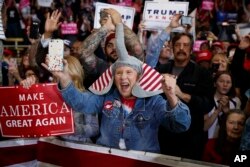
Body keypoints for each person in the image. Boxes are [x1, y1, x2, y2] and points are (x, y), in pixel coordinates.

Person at [41, 12, 191, 153]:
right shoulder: (107, 96)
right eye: (119, 72)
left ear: (139, 76)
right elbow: (81, 103)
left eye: (129, 72)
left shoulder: (153, 102)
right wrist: (65, 78)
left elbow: (181, 125)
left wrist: (171, 96)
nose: (123, 77)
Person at [147, 14, 214, 160]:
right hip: (163, 135)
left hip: (191, 138)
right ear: (171, 47)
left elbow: (208, 105)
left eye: (186, 45)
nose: (181, 48)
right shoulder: (160, 70)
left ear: (191, 50)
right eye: (177, 45)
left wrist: (182, 95)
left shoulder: (202, 73)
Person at [21, 55, 99, 143]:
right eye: (58, 74)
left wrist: (72, 127)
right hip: (54, 146)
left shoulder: (86, 97)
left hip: (79, 149)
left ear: (74, 74)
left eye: (64, 73)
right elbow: (32, 119)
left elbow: (94, 129)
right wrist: (27, 89)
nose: (61, 77)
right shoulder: (48, 96)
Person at [204, 71, 241, 140]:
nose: (225, 85)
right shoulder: (205, 100)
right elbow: (204, 128)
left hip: (226, 141)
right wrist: (217, 111)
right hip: (207, 140)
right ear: (215, 84)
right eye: (221, 81)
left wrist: (227, 111)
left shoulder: (236, 101)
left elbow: (236, 126)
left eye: (228, 82)